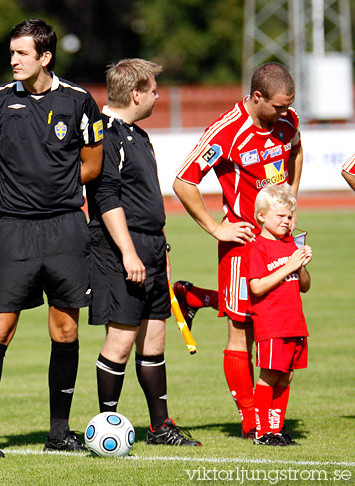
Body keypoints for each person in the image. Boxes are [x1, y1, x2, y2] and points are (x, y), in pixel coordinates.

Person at [0, 18, 103, 457]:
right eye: (11, 53)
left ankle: (58, 432)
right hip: (14, 231)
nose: (13, 60)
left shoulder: (80, 102)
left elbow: (93, 164)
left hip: (66, 228)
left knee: (65, 330)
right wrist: (16, 196)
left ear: (45, 57)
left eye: (22, 53)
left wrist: (56, 193)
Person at [173, 62, 303, 439]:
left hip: (279, 242)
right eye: (278, 107)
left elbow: (296, 150)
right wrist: (217, 227)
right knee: (241, 329)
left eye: (289, 106)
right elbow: (184, 181)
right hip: (242, 243)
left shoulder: (288, 120)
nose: (285, 114)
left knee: (277, 320)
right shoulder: (228, 131)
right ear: (257, 97)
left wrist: (290, 197)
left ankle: (194, 296)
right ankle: (250, 421)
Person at [86, 59, 200, 447]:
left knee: (153, 342)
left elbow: (146, 200)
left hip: (150, 246)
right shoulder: (107, 134)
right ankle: (106, 426)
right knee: (119, 340)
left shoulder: (138, 135)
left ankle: (159, 427)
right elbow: (106, 197)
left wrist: (158, 248)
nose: (157, 95)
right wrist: (129, 253)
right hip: (122, 249)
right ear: (135, 94)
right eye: (153, 89)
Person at [247, 184, 311, 446]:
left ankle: (277, 427)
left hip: (294, 321)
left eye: (289, 216)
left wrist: (302, 265)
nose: (287, 222)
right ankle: (262, 432)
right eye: (280, 216)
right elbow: (256, 286)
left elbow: (304, 285)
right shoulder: (257, 247)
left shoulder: (290, 246)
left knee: (287, 375)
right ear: (262, 216)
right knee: (270, 374)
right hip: (272, 323)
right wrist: (288, 266)